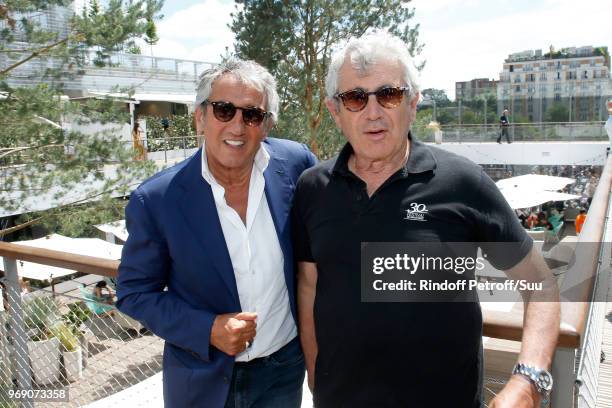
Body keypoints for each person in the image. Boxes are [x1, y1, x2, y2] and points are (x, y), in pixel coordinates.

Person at [293, 31, 560, 408]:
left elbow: (541, 283)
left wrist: (527, 380)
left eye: (389, 94)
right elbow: (309, 287)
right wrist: (316, 377)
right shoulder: (312, 189)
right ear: (335, 112)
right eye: (355, 98)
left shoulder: (463, 183)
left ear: (413, 103)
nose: (373, 112)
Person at [117, 58, 316, 408]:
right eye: (224, 110)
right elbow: (134, 293)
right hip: (204, 380)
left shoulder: (297, 164)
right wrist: (207, 328)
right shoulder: (157, 200)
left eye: (252, 114)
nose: (238, 126)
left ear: (266, 125)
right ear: (200, 117)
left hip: (284, 371)